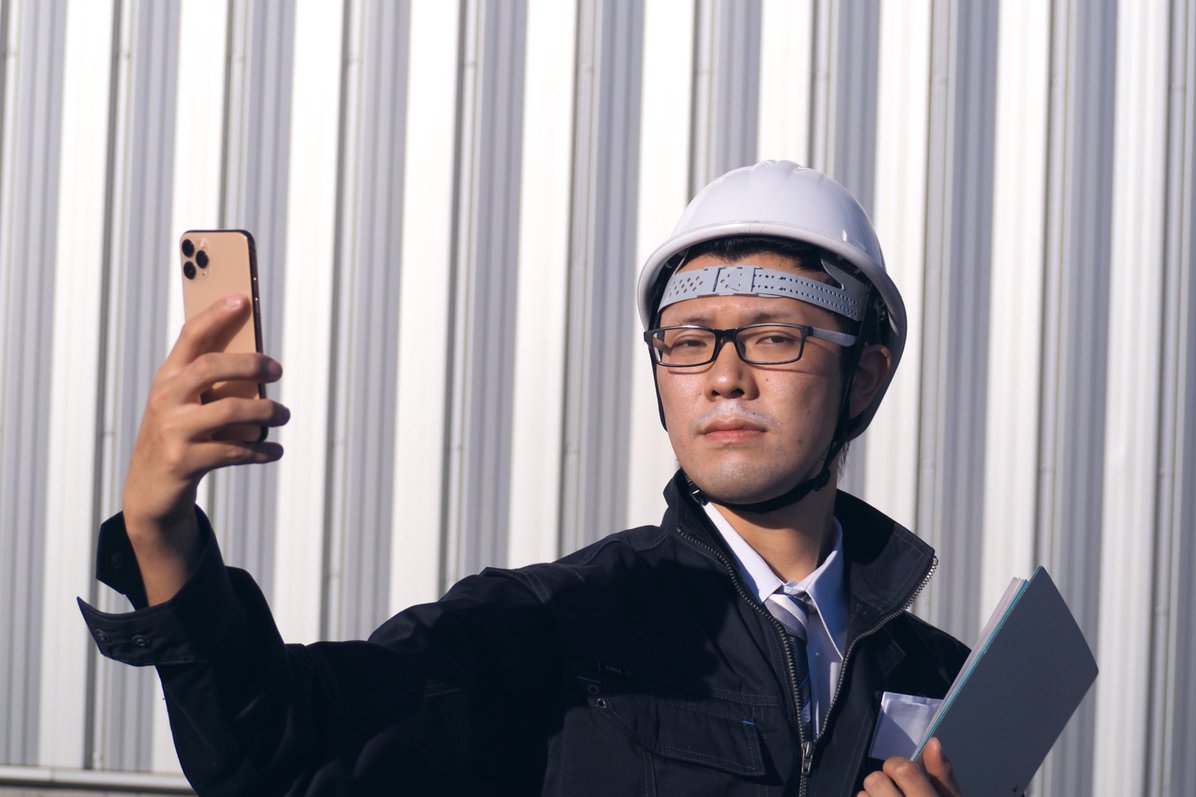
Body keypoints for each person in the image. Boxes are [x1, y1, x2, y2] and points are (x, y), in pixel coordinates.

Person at [81, 161, 968, 796]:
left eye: (773, 337)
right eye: (689, 341)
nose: (724, 376)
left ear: (865, 376)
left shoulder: (946, 681)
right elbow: (281, 750)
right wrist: (163, 532)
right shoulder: (555, 626)